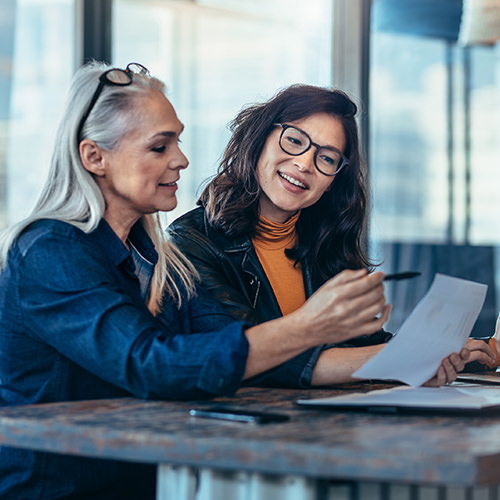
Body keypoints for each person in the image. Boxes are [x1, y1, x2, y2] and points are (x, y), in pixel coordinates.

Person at [168, 83, 495, 384]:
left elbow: (362, 344)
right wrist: (401, 359)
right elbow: (250, 357)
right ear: (258, 139)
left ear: (334, 180)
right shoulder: (191, 241)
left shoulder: (324, 242)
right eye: (295, 140)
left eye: (326, 158)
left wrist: (442, 355)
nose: (304, 164)